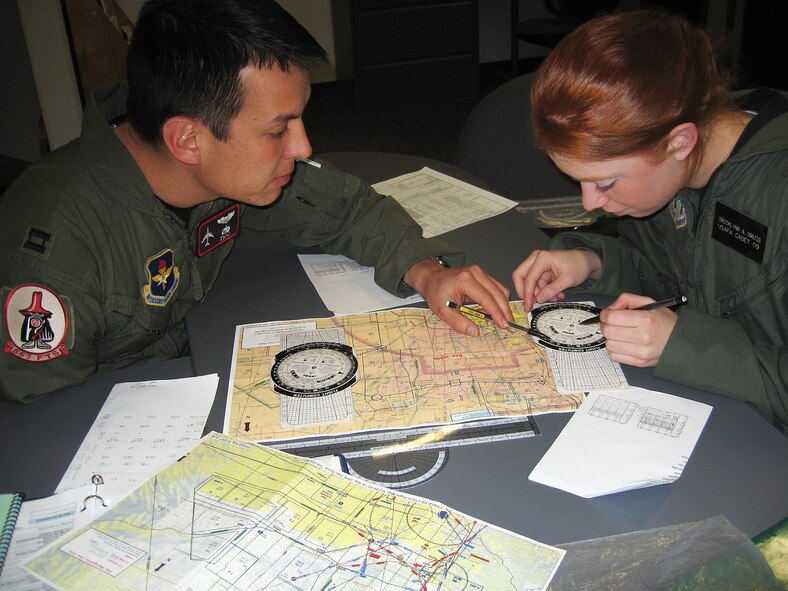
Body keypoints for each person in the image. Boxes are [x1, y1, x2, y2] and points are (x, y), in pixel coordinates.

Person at [0, 0, 513, 403]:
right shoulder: (53, 256)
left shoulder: (221, 168)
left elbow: (347, 209)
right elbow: (42, 420)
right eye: (278, 129)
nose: (303, 147)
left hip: (202, 352)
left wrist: (425, 269)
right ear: (188, 140)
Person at [512, 10, 787, 431]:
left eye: (606, 182)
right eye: (580, 182)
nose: (591, 204)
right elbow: (675, 283)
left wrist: (685, 346)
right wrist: (595, 263)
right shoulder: (670, 167)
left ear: (680, 142)